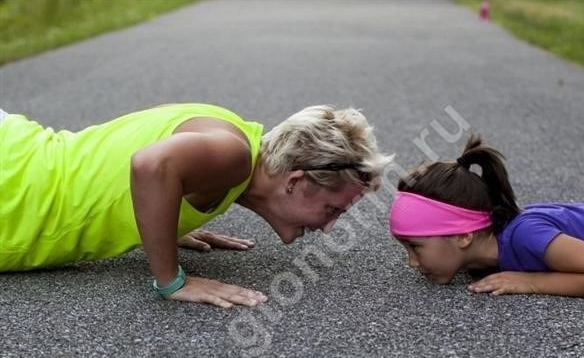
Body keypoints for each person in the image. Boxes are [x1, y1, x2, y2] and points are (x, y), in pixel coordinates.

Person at [0, 103, 393, 307]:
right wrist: (172, 280)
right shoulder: (233, 155)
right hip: (13, 187)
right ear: (295, 181)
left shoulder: (231, 137)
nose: (329, 227)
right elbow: (150, 164)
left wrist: (164, 220)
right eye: (332, 210)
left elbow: (130, 149)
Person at [389, 134, 584, 297]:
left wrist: (531, 282)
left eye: (416, 247)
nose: (412, 262)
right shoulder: (490, 255)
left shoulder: (526, 235)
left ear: (463, 235)